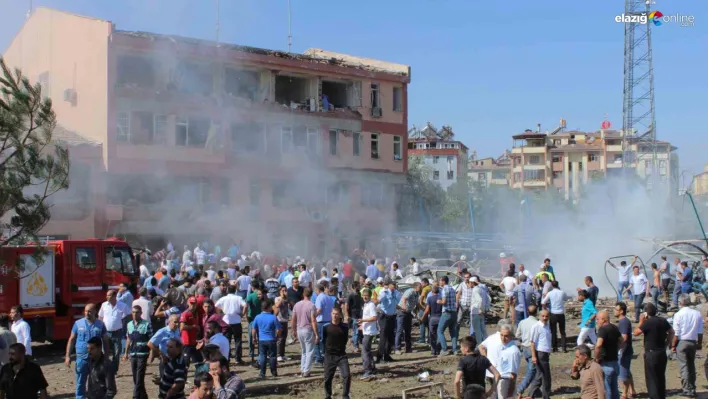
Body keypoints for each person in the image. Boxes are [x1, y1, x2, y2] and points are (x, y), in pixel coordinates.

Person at [65, 304, 109, 399]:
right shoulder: (78, 324)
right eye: (85, 311)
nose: (87, 313)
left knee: (96, 382)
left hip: (96, 360)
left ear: (95, 312)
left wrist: (106, 357)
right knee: (80, 383)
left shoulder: (100, 325)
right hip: (82, 358)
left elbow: (105, 341)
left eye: (89, 311)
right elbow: (71, 339)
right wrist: (67, 356)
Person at [632, 302, 674, 399]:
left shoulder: (647, 323)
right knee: (660, 377)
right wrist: (667, 343)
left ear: (646, 313)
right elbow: (672, 332)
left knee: (651, 379)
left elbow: (636, 333)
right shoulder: (663, 320)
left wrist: (641, 321)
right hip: (661, 352)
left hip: (651, 353)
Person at [671, 294, 703, 397]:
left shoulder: (678, 314)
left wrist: (673, 345)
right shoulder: (697, 314)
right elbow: (700, 332)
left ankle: (686, 389)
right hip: (692, 342)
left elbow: (676, 334)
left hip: (682, 342)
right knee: (691, 366)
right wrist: (699, 343)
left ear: (680, 303)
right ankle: (693, 388)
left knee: (684, 367)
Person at [124, 305, 153, 399]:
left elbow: (151, 340)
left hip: (143, 354)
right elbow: (128, 339)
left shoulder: (146, 324)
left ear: (141, 313)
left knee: (139, 377)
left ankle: (135, 397)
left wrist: (152, 354)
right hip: (133, 354)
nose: (135, 314)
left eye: (137, 312)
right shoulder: (129, 324)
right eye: (133, 312)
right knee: (136, 378)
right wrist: (125, 353)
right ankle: (144, 396)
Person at [322, 307, 351, 399]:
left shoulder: (344, 327)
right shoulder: (326, 327)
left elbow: (345, 339)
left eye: (337, 314)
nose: (335, 316)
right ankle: (328, 395)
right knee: (327, 378)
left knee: (347, 375)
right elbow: (323, 340)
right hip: (329, 355)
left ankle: (345, 396)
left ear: (340, 315)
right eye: (333, 313)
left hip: (341, 355)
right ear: (331, 314)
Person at [215, 285, 247, 363]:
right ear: (235, 290)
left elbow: (216, 305)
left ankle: (227, 357)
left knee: (227, 341)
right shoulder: (238, 298)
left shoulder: (223, 298)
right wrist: (242, 314)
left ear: (227, 290)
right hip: (236, 321)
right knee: (238, 341)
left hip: (226, 322)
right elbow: (245, 305)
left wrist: (221, 314)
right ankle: (238, 358)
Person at [594, 311, 622, 399]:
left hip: (605, 363)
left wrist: (596, 357)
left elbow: (598, 344)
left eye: (598, 319)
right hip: (615, 362)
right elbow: (622, 340)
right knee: (614, 388)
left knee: (606, 389)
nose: (597, 321)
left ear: (603, 319)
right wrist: (616, 349)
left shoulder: (602, 329)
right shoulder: (614, 327)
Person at [292, 287, 319, 377]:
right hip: (308, 329)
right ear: (311, 295)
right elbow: (313, 320)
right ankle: (306, 371)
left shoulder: (297, 304)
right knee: (310, 351)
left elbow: (293, 319)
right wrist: (316, 334)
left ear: (303, 294)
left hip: (299, 329)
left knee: (304, 351)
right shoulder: (312, 305)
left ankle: (303, 368)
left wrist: (293, 330)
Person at [251, 299, 281, 378]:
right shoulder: (273, 317)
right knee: (272, 356)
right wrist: (277, 336)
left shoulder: (257, 317)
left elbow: (254, 329)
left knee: (262, 356)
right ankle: (273, 372)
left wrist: (254, 338)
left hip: (262, 340)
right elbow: (279, 329)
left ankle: (262, 373)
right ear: (268, 307)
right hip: (271, 339)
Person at [148, 314, 181, 382]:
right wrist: (161, 354)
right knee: (165, 382)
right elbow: (150, 343)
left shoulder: (177, 330)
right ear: (169, 322)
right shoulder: (163, 331)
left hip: (176, 360)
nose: (177, 324)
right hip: (166, 360)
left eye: (178, 322)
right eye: (175, 322)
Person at [527, 309, 552, 399]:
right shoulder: (536, 326)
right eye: (543, 316)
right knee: (545, 376)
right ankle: (545, 396)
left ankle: (530, 394)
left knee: (540, 375)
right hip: (540, 353)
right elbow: (532, 342)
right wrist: (534, 356)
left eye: (546, 316)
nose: (545, 318)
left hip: (545, 353)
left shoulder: (547, 325)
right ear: (539, 316)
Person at [515, 305, 538, 398]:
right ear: (537, 312)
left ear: (528, 312)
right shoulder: (537, 323)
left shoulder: (522, 322)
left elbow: (517, 335)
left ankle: (534, 390)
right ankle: (519, 389)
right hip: (533, 348)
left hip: (524, 348)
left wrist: (524, 338)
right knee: (532, 371)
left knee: (531, 369)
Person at [493, 325, 521, 399]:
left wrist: (510, 393)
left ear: (511, 336)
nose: (503, 338)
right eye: (501, 335)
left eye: (506, 336)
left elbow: (513, 374)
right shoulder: (503, 347)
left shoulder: (513, 351)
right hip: (499, 380)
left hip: (506, 382)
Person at [614, 302, 635, 399]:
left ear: (621, 311)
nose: (614, 311)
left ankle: (624, 394)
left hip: (624, 351)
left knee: (623, 374)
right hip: (626, 350)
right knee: (626, 371)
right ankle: (632, 391)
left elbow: (624, 337)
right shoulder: (624, 321)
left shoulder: (623, 322)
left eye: (616, 309)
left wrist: (617, 349)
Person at [540, 280, 568, 353]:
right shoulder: (562, 292)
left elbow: (543, 302)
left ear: (552, 286)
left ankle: (554, 347)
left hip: (553, 313)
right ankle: (564, 347)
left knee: (553, 331)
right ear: (558, 285)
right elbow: (566, 298)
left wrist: (546, 309)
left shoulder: (550, 293)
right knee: (562, 331)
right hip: (561, 313)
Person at [377, 279, 400, 362]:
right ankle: (379, 357)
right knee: (383, 337)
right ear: (389, 285)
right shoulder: (384, 292)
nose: (394, 286)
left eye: (395, 284)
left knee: (390, 337)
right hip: (384, 317)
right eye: (392, 284)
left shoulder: (396, 293)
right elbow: (379, 300)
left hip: (392, 317)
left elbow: (397, 303)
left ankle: (387, 355)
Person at [396, 282, 420, 354]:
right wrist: (404, 306)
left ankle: (408, 348)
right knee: (400, 330)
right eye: (420, 286)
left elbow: (417, 304)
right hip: (402, 312)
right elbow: (404, 299)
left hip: (408, 313)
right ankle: (397, 348)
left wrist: (422, 309)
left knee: (408, 330)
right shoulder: (410, 291)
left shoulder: (417, 294)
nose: (421, 287)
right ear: (416, 287)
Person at [359, 288, 378, 379]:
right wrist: (362, 324)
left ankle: (367, 371)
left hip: (369, 332)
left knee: (364, 352)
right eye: (363, 295)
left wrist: (363, 320)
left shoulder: (371, 305)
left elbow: (374, 318)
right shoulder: (366, 305)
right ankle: (372, 368)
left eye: (366, 295)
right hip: (366, 330)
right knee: (368, 351)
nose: (364, 297)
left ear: (369, 296)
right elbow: (368, 317)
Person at [437, 275, 459, 356]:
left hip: (447, 312)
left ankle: (444, 349)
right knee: (453, 332)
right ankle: (455, 349)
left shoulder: (444, 289)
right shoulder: (452, 289)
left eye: (440, 280)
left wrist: (439, 301)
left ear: (443, 281)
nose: (439, 282)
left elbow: (444, 301)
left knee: (440, 330)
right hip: (454, 313)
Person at [180, 297, 203, 368]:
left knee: (199, 361)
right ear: (188, 303)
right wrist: (194, 327)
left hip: (194, 341)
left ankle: (198, 377)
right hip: (186, 342)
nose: (193, 305)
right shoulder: (185, 314)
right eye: (191, 303)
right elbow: (182, 327)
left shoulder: (195, 314)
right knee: (186, 362)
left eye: (194, 303)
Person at [245, 285, 264, 363]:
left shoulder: (250, 296)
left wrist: (245, 315)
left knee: (251, 337)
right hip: (259, 319)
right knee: (258, 337)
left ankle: (252, 354)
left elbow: (246, 305)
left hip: (252, 319)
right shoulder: (264, 298)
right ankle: (258, 354)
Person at [344, 281, 364, 352]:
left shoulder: (359, 294)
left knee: (359, 331)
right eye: (358, 286)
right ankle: (356, 347)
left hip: (359, 315)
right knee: (356, 331)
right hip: (353, 315)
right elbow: (346, 306)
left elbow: (361, 303)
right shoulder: (350, 295)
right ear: (354, 287)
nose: (359, 287)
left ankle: (352, 340)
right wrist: (347, 315)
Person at [274, 285, 291, 361]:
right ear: (280, 291)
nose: (284, 292)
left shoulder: (287, 299)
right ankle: (278, 355)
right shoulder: (277, 298)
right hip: (279, 320)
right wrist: (281, 297)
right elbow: (277, 305)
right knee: (280, 338)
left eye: (285, 290)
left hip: (285, 320)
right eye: (283, 291)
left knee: (284, 338)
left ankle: (282, 354)